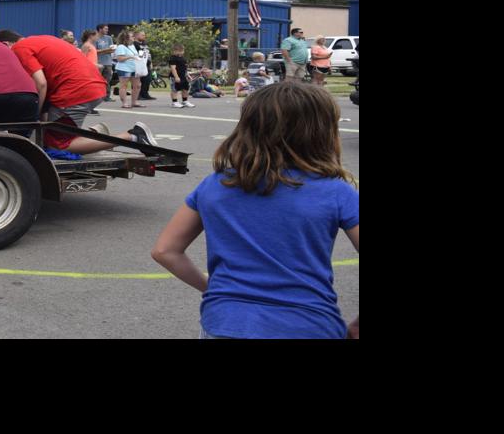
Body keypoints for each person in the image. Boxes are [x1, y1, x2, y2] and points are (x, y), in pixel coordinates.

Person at [150, 80, 360, 339]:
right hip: (308, 324)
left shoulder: (216, 184)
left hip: (226, 322)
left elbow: (165, 250)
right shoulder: (335, 191)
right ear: (322, 131)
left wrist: (213, 290)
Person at [9, 30, 154, 156]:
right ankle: (96, 134)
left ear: (6, 44)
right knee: (53, 131)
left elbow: (41, 83)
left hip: (75, 92)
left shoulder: (18, 48)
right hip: (92, 85)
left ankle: (132, 137)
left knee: (57, 145)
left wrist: (33, 116)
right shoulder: (41, 40)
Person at [111, 30, 141, 108]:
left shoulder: (132, 45)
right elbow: (120, 59)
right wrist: (131, 57)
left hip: (134, 68)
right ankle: (124, 103)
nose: (133, 37)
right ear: (126, 38)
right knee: (124, 85)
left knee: (137, 85)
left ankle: (134, 102)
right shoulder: (121, 46)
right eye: (132, 36)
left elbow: (135, 55)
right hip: (124, 68)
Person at [133, 30, 155, 101]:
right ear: (136, 36)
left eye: (144, 35)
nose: (144, 36)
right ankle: (138, 95)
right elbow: (139, 54)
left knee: (148, 80)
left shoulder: (145, 44)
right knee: (140, 80)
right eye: (142, 35)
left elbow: (148, 54)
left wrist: (151, 63)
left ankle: (145, 94)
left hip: (147, 64)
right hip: (140, 64)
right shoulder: (135, 44)